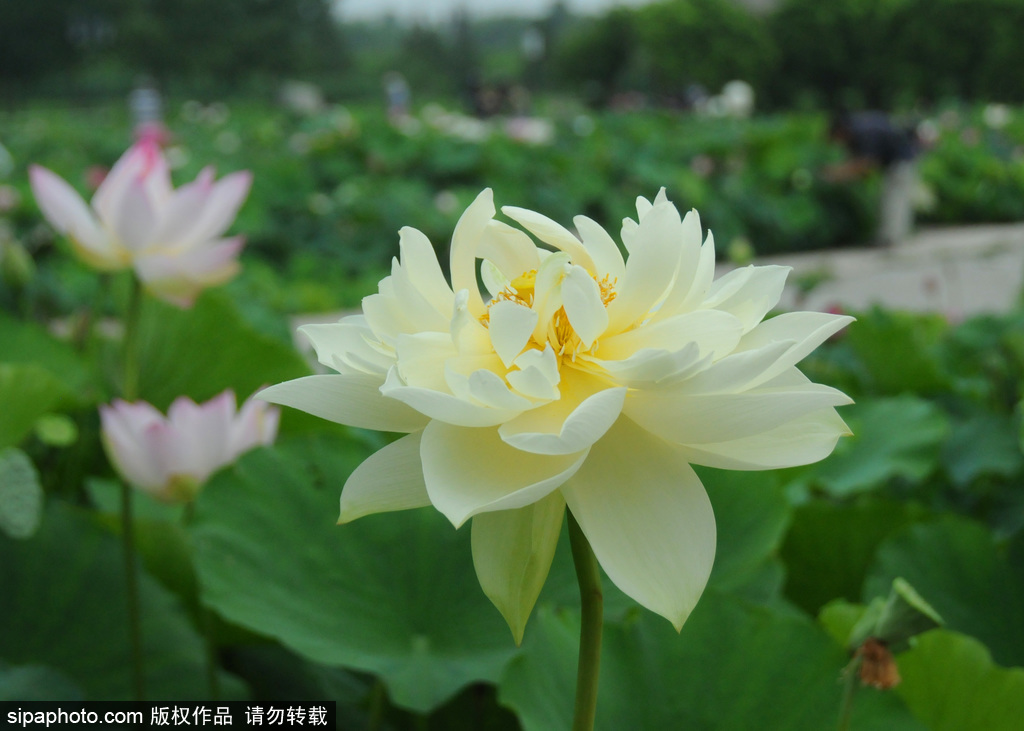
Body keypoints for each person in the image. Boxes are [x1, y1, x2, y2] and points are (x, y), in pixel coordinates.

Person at [825, 110, 921, 246]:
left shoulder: (864, 132)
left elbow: (866, 163)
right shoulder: (860, 127)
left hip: (900, 162)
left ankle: (891, 239)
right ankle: (889, 236)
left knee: (894, 200)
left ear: (840, 131)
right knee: (890, 199)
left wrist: (837, 174)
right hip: (894, 162)